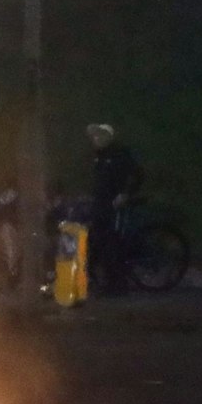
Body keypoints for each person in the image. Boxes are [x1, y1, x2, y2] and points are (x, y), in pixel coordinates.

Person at [86, 124, 143, 293]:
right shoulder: (99, 156)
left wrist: (125, 194)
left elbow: (138, 175)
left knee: (112, 242)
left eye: (100, 136)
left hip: (116, 205)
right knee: (98, 240)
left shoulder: (120, 154)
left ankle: (117, 285)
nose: (96, 139)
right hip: (101, 205)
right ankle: (101, 280)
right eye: (94, 137)